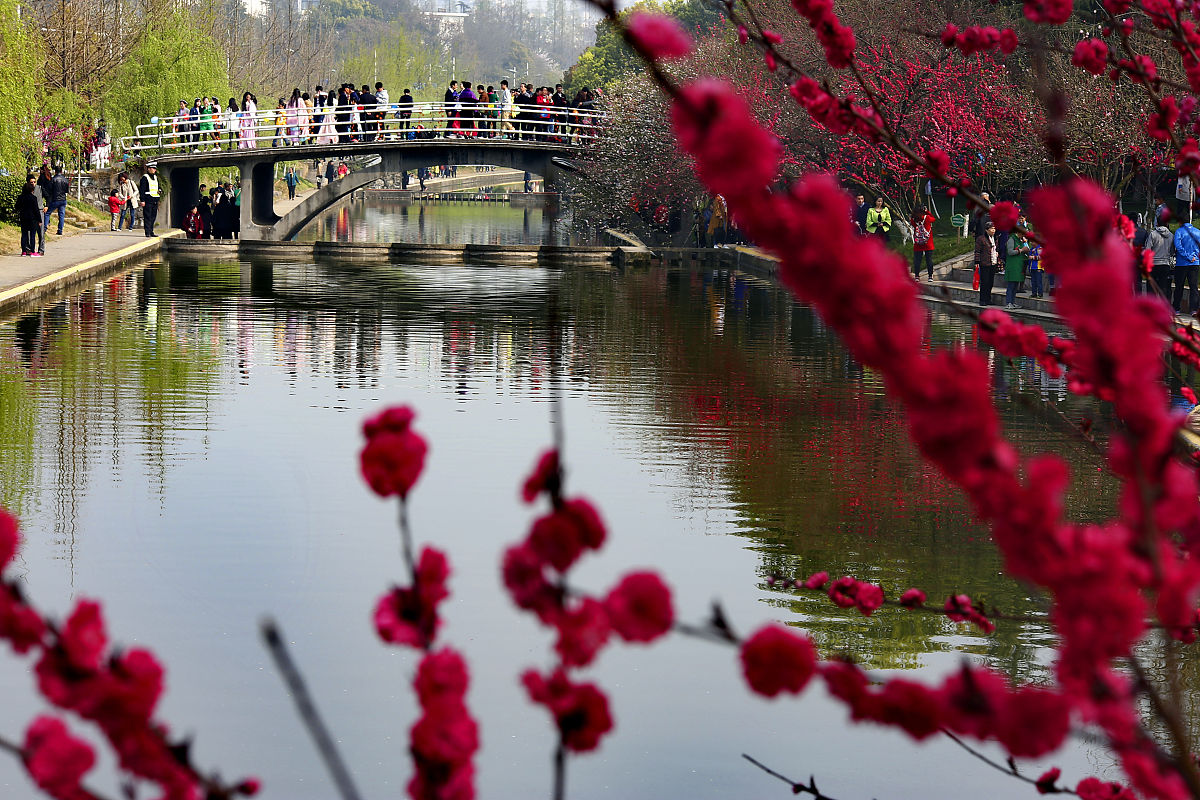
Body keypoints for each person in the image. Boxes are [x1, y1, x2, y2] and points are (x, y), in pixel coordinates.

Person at [1174, 219, 1200, 314]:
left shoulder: (1179, 231)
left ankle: (1176, 308)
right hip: (1195, 262)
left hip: (1181, 263)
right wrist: (1194, 257)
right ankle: (1194, 309)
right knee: (1194, 287)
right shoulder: (1198, 231)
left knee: (1179, 286)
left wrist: (1187, 256)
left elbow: (1178, 246)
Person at [1148, 211, 1175, 298]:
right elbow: (1172, 251)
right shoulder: (1171, 235)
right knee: (1164, 288)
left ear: (1157, 223)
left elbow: (1148, 250)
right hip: (1165, 264)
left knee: (1151, 289)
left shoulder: (1153, 234)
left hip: (1153, 264)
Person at [1003, 228, 1030, 309]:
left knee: (1015, 285)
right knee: (1011, 285)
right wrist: (1021, 250)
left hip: (1018, 265)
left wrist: (1025, 246)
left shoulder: (1020, 240)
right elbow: (1010, 252)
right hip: (1012, 265)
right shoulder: (1012, 239)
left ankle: (1013, 302)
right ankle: (1008, 302)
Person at [975, 219, 999, 306]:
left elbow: (996, 248)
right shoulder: (981, 239)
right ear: (986, 230)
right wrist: (977, 261)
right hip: (984, 263)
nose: (993, 230)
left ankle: (988, 299)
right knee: (984, 282)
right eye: (991, 229)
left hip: (993, 262)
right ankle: (982, 299)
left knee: (990, 282)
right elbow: (977, 251)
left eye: (994, 228)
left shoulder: (995, 238)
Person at [18, 178, 44, 257]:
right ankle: (32, 251)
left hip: (23, 218)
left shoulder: (20, 197)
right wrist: (39, 220)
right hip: (32, 219)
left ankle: (24, 251)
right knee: (32, 235)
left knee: (24, 235)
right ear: (31, 190)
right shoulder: (33, 198)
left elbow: (17, 207)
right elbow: (36, 210)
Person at [910, 204, 935, 279]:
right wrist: (927, 211)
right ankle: (930, 276)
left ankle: (917, 276)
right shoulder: (927, 218)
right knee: (929, 259)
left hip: (918, 242)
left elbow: (913, 224)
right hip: (928, 242)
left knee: (917, 260)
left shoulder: (913, 219)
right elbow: (933, 219)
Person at [138, 162, 161, 237]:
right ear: (148, 169)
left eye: (155, 168)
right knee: (147, 216)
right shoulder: (145, 178)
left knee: (153, 216)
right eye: (153, 168)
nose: (154, 170)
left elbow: (158, 187)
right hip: (148, 199)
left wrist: (159, 190)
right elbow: (142, 190)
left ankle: (151, 231)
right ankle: (147, 232)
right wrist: (142, 200)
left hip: (155, 199)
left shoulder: (156, 177)